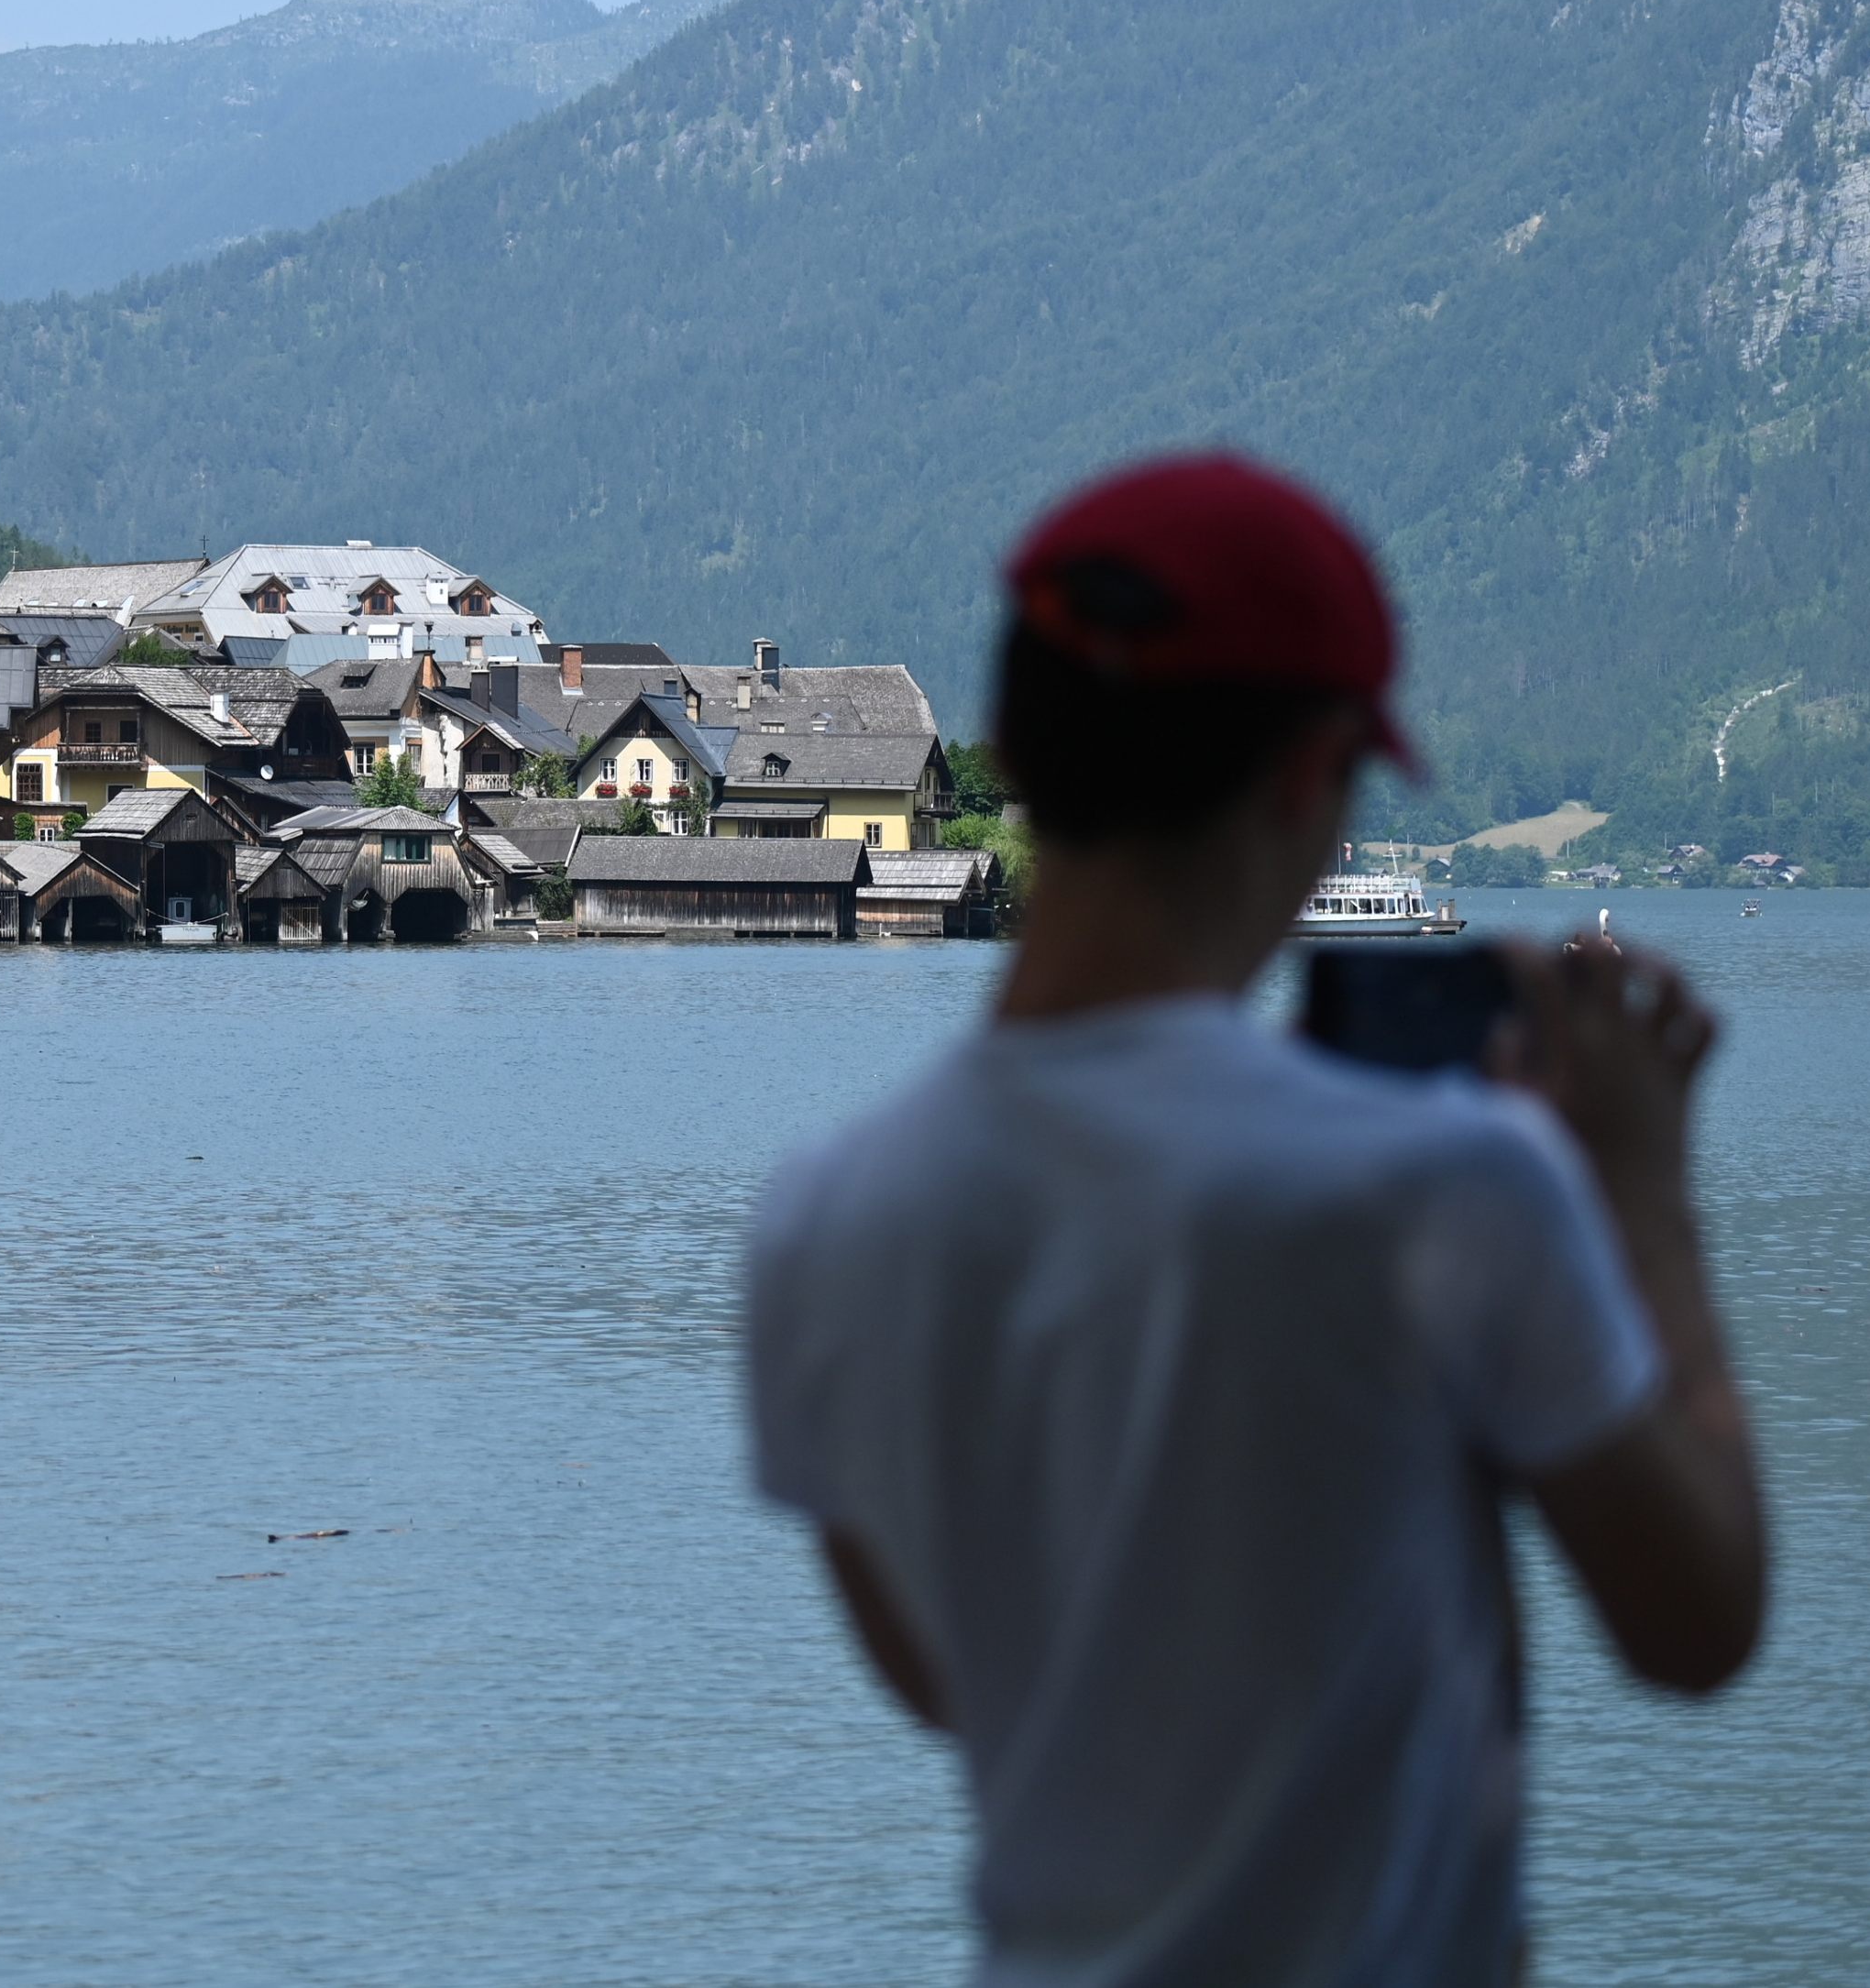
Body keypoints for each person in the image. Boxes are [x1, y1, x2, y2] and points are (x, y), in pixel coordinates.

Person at [745, 453, 1766, 1987]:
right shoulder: (1448, 1187)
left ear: (1013, 741)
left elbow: (962, 1684)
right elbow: (1696, 1622)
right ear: (1310, 776)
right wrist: (1639, 1192)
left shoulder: (819, 1223)